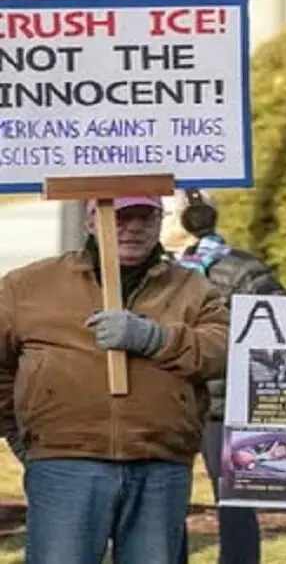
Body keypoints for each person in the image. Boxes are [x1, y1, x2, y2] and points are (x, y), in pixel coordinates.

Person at [0, 195, 229, 563]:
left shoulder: (192, 287)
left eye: (146, 216)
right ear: (90, 221)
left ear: (160, 222)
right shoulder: (27, 286)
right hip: (64, 463)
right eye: (120, 217)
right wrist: (22, 434)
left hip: (160, 463)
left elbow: (223, 351)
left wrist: (155, 339)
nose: (134, 227)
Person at [163, 189, 286, 564]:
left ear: (192, 220)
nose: (156, 222)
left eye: (165, 213)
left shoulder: (244, 271)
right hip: (171, 402)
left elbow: (280, 331)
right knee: (166, 499)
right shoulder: (156, 272)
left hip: (226, 405)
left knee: (236, 499)